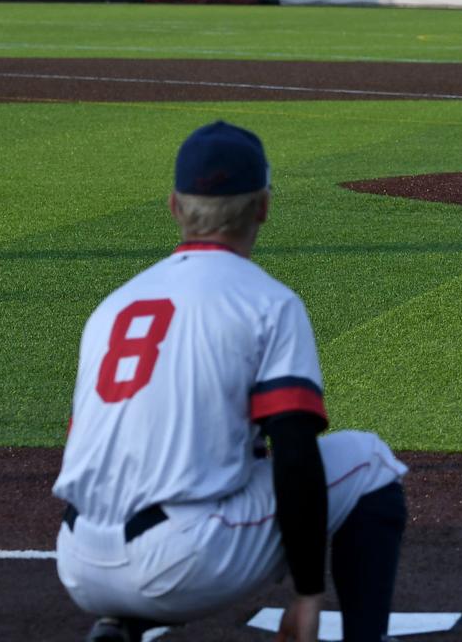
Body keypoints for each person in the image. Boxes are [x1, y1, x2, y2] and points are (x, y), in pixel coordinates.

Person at [53, 120, 407, 642]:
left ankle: (119, 625)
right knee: (370, 463)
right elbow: (294, 453)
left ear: (174, 206)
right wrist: (308, 593)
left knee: (200, 471)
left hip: (78, 561)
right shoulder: (267, 301)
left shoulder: (114, 305)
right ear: (262, 207)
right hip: (178, 563)